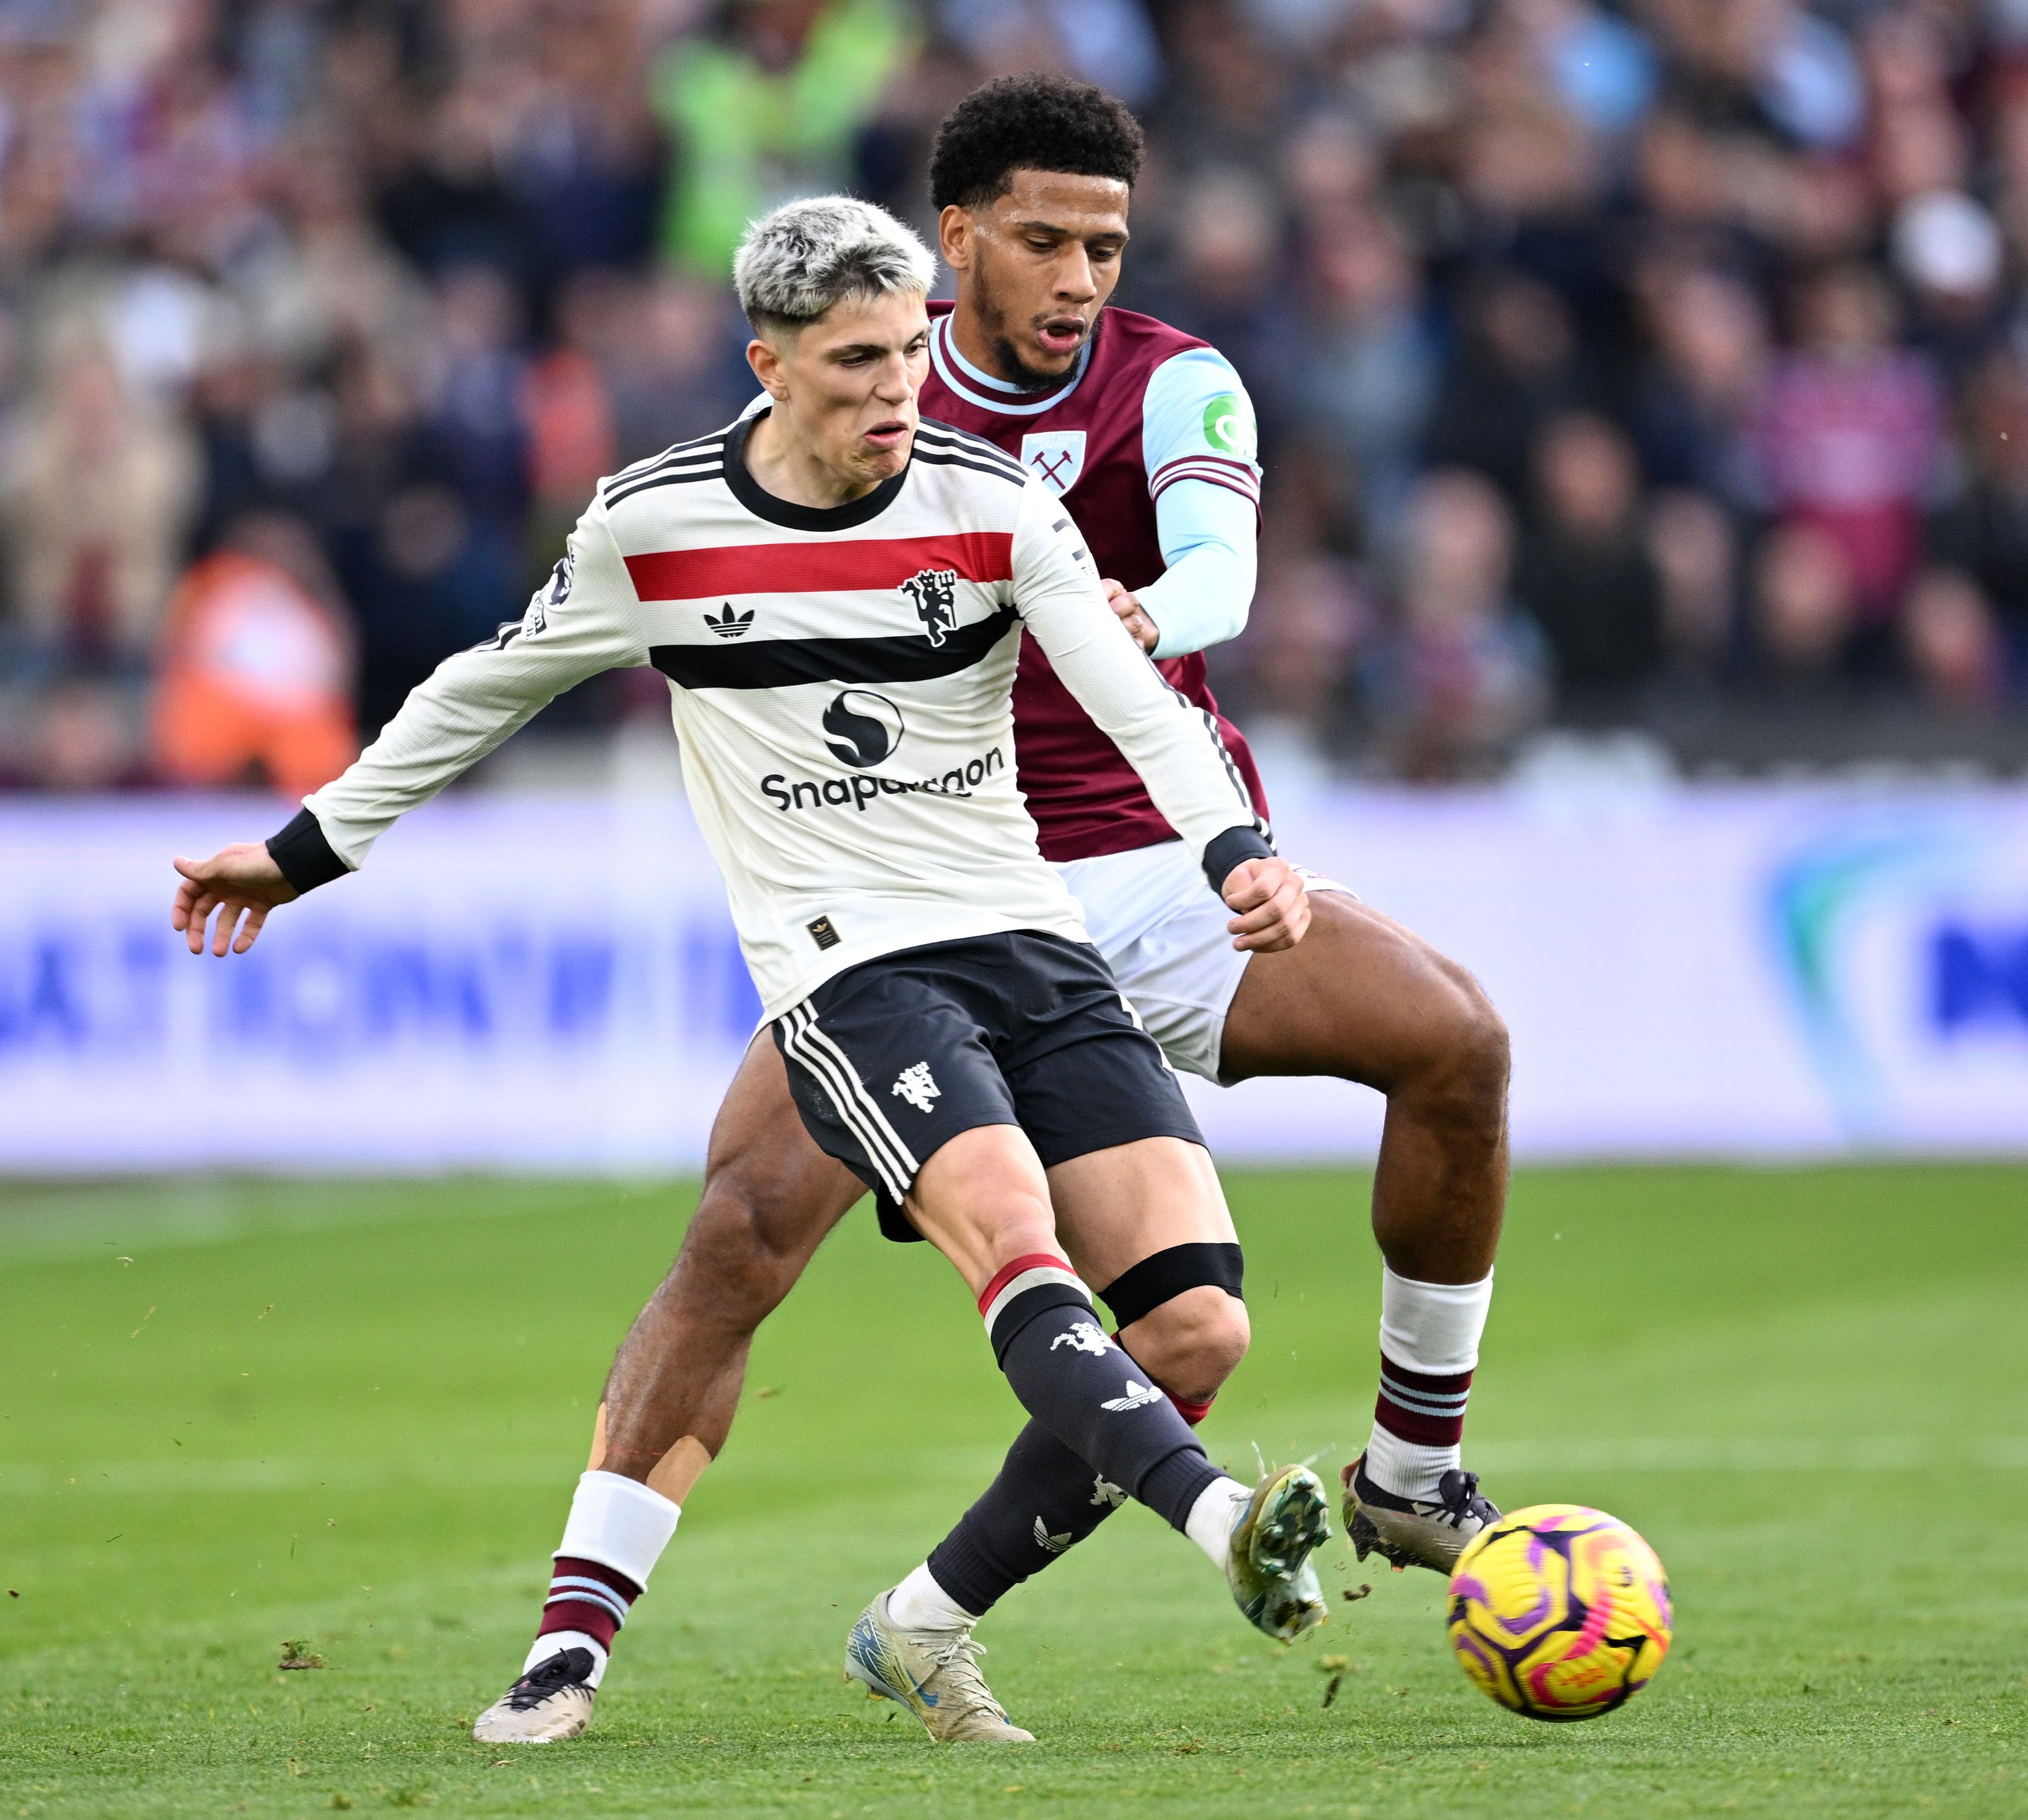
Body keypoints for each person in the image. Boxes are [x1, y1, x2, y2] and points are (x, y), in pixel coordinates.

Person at [167, 195, 1336, 1750]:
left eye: (910, 351)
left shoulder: (992, 502)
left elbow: (1138, 704)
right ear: (767, 365)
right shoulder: (654, 526)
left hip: (1029, 942)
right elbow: (478, 689)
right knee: (976, 1227)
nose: (892, 391)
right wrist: (302, 851)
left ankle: (919, 1626)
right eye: (853, 361)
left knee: (1195, 1328)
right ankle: (1215, 1529)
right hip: (853, 968)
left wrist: (1236, 847)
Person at [481, 74, 1519, 1748]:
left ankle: (1399, 1474)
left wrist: (1142, 607)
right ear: (952, 237)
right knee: (739, 1237)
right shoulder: (852, 385)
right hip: (921, 887)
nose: (1080, 276)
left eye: (1106, 243)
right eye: (1042, 239)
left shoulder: (1172, 382)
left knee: (1449, 1048)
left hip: (1148, 866)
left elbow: (1228, 581)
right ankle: (568, 1640)